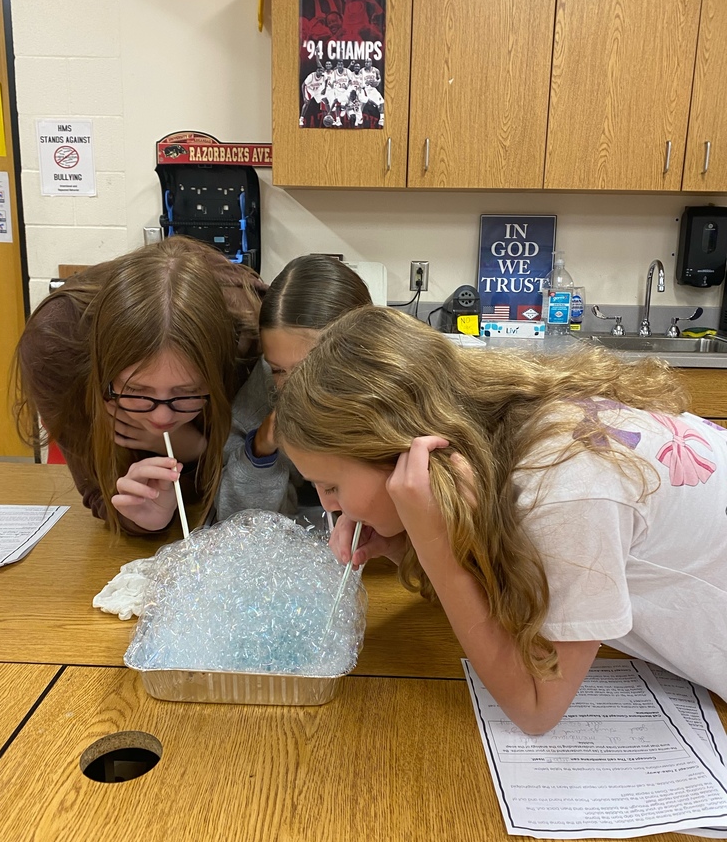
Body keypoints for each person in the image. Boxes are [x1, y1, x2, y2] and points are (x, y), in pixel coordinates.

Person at [274, 305, 727, 733]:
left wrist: (435, 547)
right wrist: (403, 544)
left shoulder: (564, 485)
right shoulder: (508, 437)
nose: (330, 506)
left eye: (331, 486)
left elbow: (536, 708)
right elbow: (504, 599)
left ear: (401, 456)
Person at [14, 237, 266, 535]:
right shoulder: (57, 344)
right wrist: (148, 519)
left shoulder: (254, 333)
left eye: (186, 393)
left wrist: (199, 448)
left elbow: (255, 475)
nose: (161, 420)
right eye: (136, 392)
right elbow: (101, 492)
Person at [214, 255, 371, 522]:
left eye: (307, 369)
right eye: (277, 369)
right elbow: (237, 522)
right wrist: (260, 450)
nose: (291, 389)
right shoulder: (263, 393)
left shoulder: (396, 397)